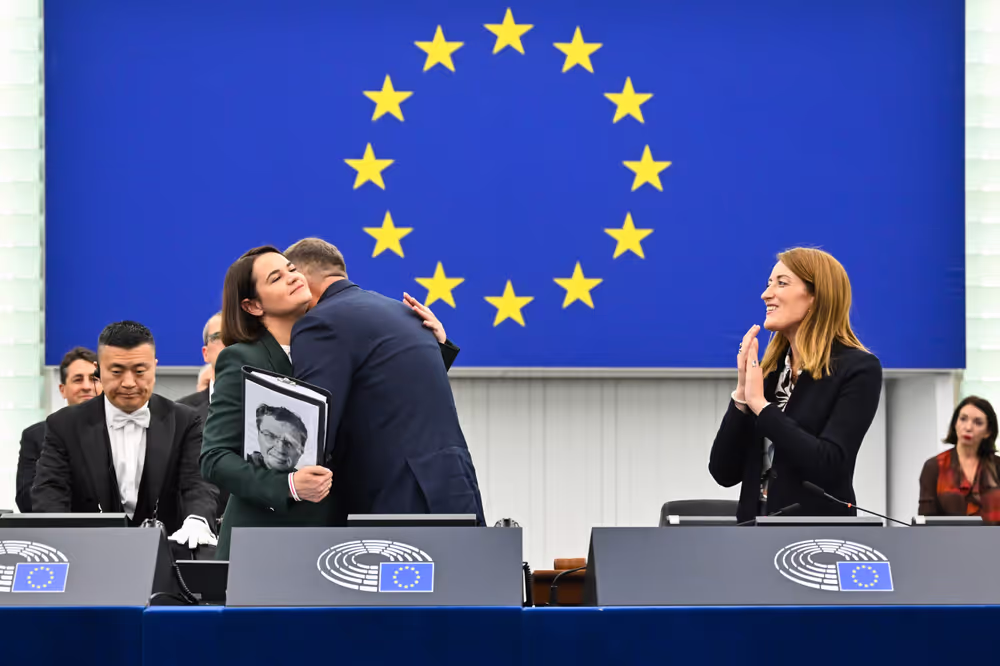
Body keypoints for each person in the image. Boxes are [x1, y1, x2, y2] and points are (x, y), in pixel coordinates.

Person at [200, 245, 457, 558]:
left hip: (332, 540)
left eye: (292, 270)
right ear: (252, 305)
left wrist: (431, 348)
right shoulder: (240, 358)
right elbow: (214, 456)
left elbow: (381, 402)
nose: (292, 277)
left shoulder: (333, 343)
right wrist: (289, 485)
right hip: (265, 539)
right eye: (276, 278)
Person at [285, 238, 485, 526]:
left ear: (301, 280)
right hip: (455, 486)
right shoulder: (406, 314)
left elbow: (314, 429)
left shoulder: (320, 322)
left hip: (395, 500)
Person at [708, 247, 882, 524]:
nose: (766, 294)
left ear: (816, 296)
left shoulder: (858, 368)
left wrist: (761, 407)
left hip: (818, 540)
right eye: (768, 284)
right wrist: (742, 395)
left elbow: (829, 464)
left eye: (781, 283)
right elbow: (723, 472)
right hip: (751, 539)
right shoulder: (770, 372)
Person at [31, 321, 219, 551]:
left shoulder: (185, 420)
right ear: (98, 370)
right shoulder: (64, 425)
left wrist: (197, 520)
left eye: (140, 371)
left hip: (166, 559)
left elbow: (198, 483)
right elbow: (50, 492)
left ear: (154, 367)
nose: (129, 383)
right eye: (117, 372)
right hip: (87, 555)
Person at [16, 347, 101, 512]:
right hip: (58, 531)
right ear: (63, 390)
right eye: (78, 379)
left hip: (114, 532)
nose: (87, 386)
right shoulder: (35, 436)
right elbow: (26, 499)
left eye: (94, 379)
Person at [919, 396, 1000, 523]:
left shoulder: (997, 466)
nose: (968, 427)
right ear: (955, 423)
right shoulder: (934, 466)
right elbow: (925, 522)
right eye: (963, 419)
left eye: (978, 422)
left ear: (988, 432)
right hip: (947, 541)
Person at [177, 312, 223, 422]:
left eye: (238, 336)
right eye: (219, 337)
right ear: (206, 353)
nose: (230, 343)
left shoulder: (268, 407)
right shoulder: (178, 414)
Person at [249, 404, 308, 471]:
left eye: (289, 443)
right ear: (258, 435)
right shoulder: (241, 463)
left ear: (301, 451)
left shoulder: (307, 479)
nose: (280, 449)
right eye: (271, 436)